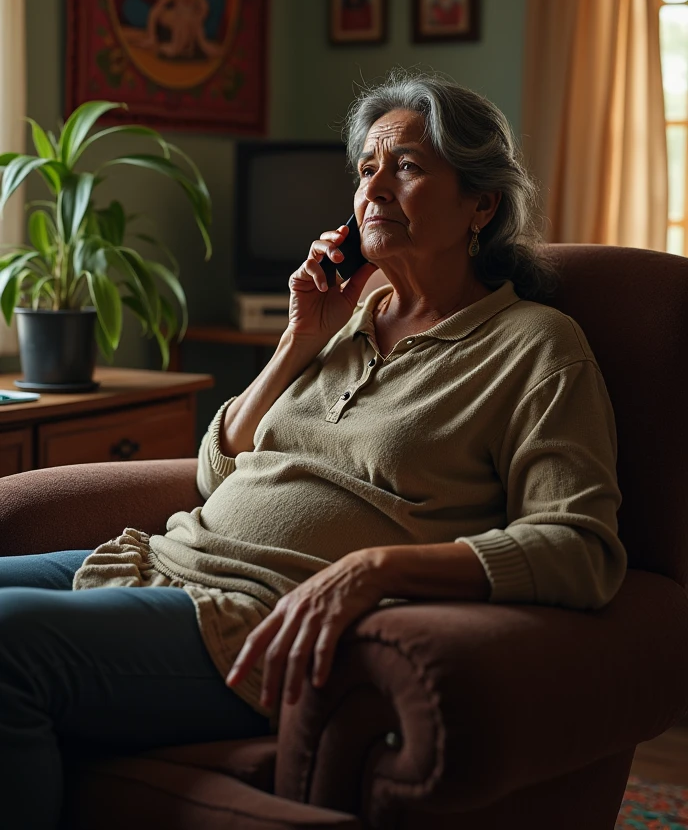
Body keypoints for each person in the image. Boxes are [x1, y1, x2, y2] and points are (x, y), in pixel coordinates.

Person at [0, 71, 628, 830]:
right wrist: (299, 339)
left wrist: (378, 567)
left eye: (407, 166)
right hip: (160, 558)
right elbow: (212, 473)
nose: (374, 188)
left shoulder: (535, 347)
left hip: (250, 617)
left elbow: (580, 548)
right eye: (367, 168)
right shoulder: (346, 317)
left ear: (481, 204)